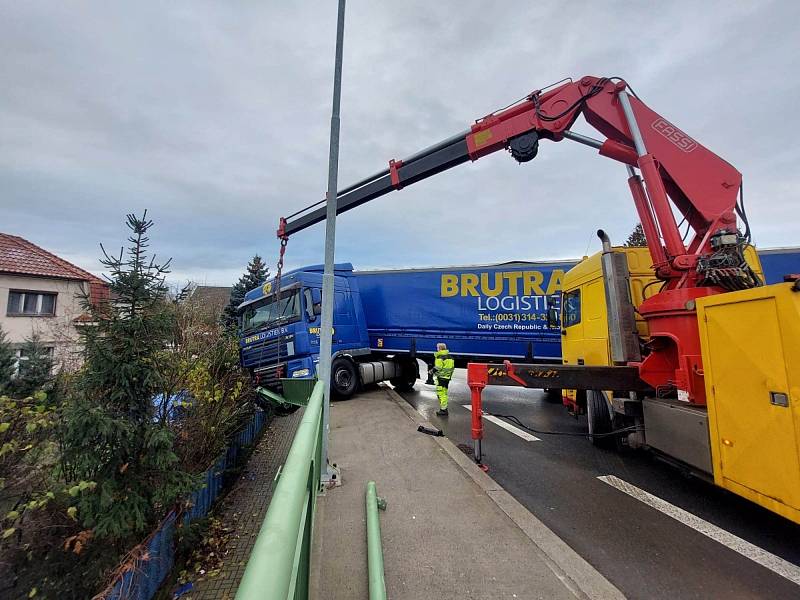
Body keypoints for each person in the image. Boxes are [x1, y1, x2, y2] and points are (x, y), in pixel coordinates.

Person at [431, 342, 455, 416]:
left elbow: (438, 367)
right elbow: (451, 368)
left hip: (441, 378)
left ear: (440, 348)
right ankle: (444, 408)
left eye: (437, 348)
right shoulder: (450, 357)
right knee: (444, 393)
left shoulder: (440, 357)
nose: (437, 349)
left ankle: (443, 410)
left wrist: (431, 371)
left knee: (441, 394)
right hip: (447, 378)